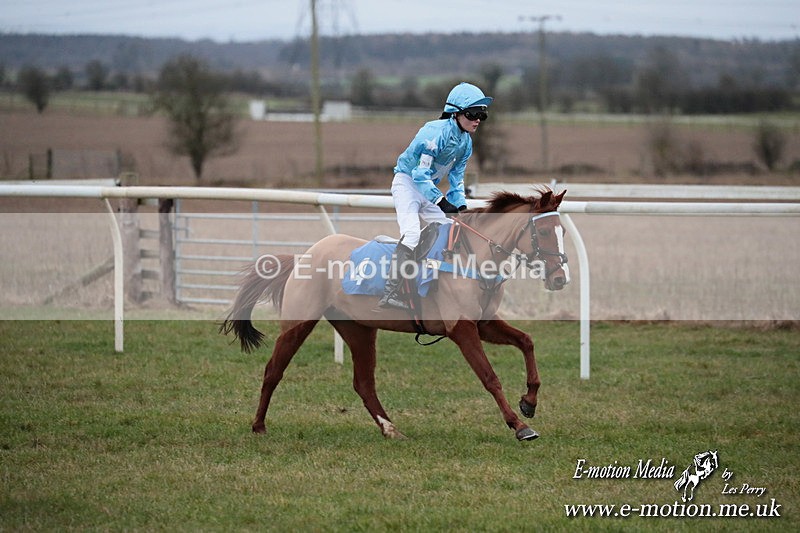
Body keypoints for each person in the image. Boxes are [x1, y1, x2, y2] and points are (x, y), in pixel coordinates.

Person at [377, 82, 492, 310]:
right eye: (473, 113)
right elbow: (420, 174)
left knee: (446, 231)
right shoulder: (434, 133)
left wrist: (460, 208)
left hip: (427, 189)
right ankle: (390, 291)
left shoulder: (465, 142)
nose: (478, 119)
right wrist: (441, 201)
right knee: (411, 234)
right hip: (408, 184)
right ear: (456, 113)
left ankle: (432, 282)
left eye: (483, 114)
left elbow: (457, 179)